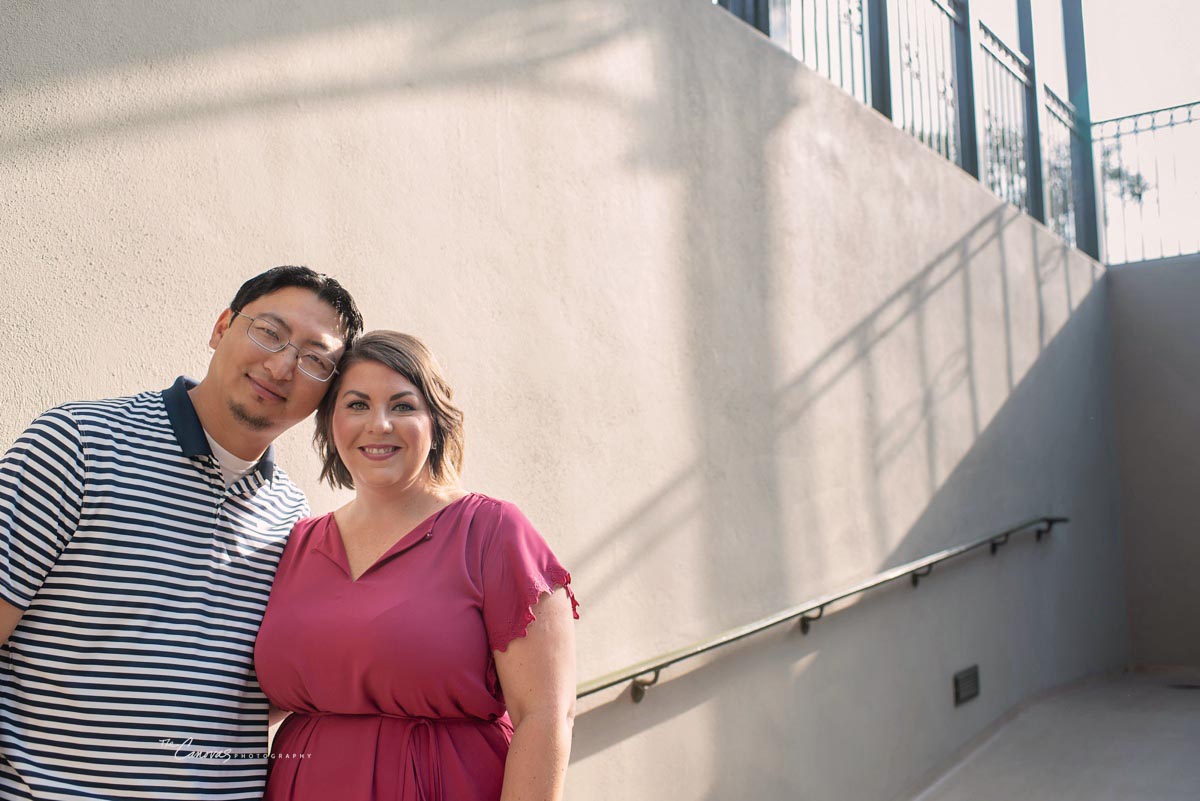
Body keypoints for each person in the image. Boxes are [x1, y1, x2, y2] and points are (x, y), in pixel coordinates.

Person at [0, 266, 363, 801]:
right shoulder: (77, 445)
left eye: (314, 360)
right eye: (269, 331)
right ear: (221, 327)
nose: (282, 365)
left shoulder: (294, 520)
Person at [254, 330, 578, 801]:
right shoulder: (296, 543)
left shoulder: (492, 531)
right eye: (357, 405)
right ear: (330, 423)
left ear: (436, 422)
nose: (379, 424)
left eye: (403, 406)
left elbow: (545, 715)